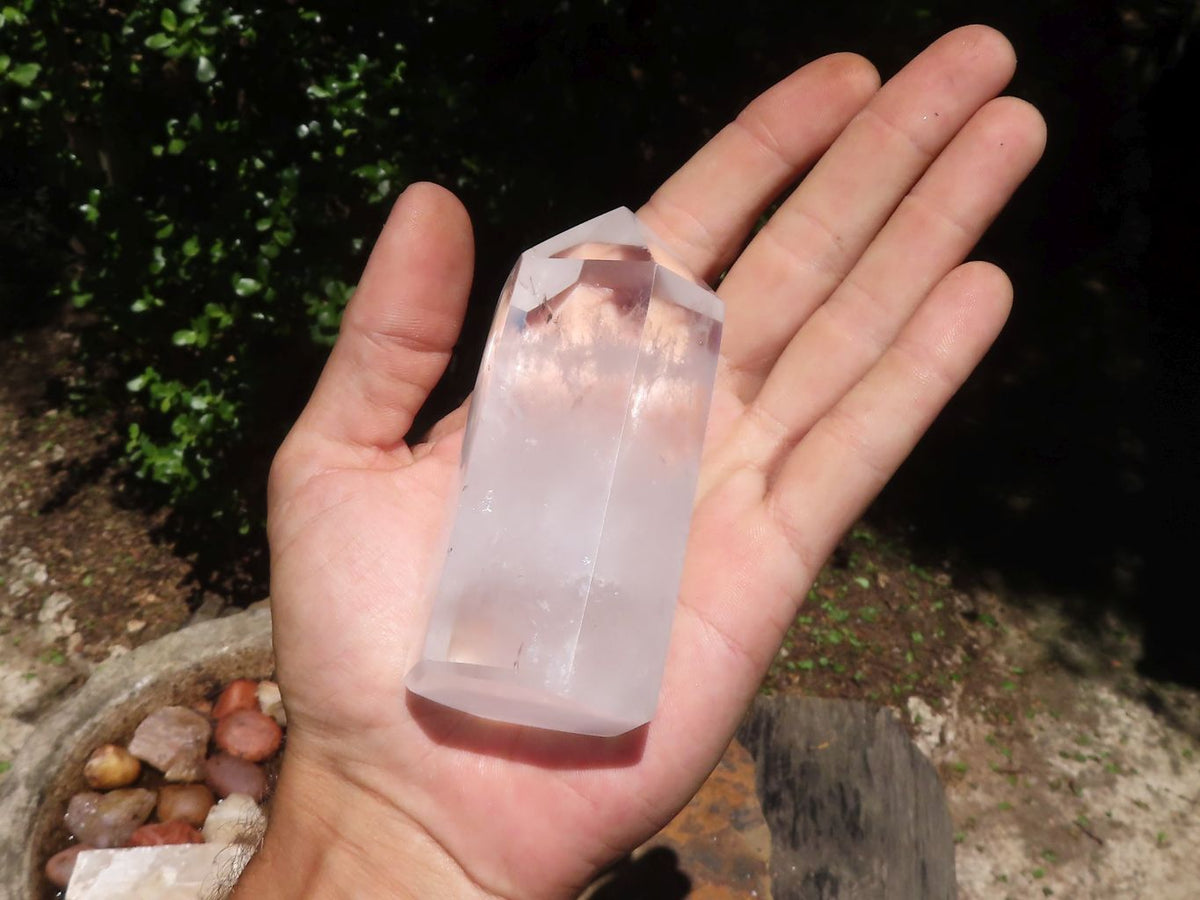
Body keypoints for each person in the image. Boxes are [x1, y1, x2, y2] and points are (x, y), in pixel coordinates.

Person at [230, 25, 1045, 899]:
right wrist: (388, 829)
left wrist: (380, 846)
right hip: (509, 687)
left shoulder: (604, 307)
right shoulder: (599, 311)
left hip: (543, 690)